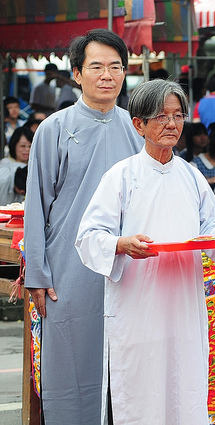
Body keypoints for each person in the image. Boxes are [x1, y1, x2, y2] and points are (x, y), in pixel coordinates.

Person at [75, 79, 215, 424]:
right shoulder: (121, 176)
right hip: (138, 306)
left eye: (178, 116)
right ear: (139, 124)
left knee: (185, 383)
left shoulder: (191, 176)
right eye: (161, 117)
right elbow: (88, 236)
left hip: (183, 304)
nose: (172, 124)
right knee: (140, 387)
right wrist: (121, 244)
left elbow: (212, 228)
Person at [24, 28, 145, 425]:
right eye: (96, 66)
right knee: (71, 367)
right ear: (77, 73)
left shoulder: (137, 128)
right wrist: (38, 276)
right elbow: (36, 207)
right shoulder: (54, 129)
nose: (107, 75)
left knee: (128, 366)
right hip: (68, 271)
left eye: (116, 67)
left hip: (126, 269)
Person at [0, 126, 31, 205]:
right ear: (14, 145)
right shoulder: (5, 165)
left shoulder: (35, 166)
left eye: (30, 146)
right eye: (22, 146)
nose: (27, 150)